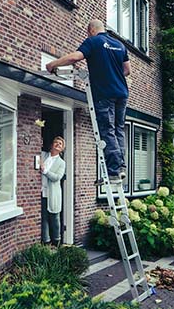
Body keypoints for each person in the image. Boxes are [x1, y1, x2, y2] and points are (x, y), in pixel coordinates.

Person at [46, 19, 130, 183]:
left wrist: (53, 64)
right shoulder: (120, 45)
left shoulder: (94, 41)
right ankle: (120, 168)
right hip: (122, 93)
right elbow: (127, 70)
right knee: (119, 129)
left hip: (105, 93)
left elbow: (75, 57)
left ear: (91, 30)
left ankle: (112, 171)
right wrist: (112, 73)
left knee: (107, 129)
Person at [40, 136, 66, 246]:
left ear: (62, 148)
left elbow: (56, 177)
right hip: (41, 192)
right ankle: (46, 241)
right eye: (56, 142)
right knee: (43, 217)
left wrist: (45, 170)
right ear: (52, 144)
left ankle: (56, 241)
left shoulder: (61, 163)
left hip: (53, 194)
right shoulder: (43, 155)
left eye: (60, 144)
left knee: (54, 217)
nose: (58, 145)